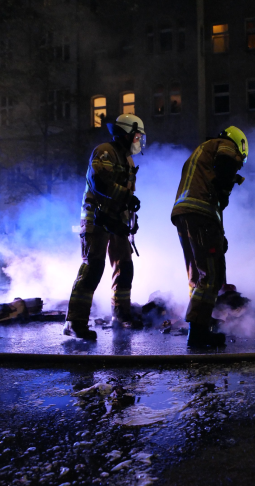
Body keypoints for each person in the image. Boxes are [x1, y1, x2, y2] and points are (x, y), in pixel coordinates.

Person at [63, 114, 146, 340]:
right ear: (126, 135)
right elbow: (100, 184)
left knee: (125, 267)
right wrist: (126, 198)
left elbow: (125, 194)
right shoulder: (104, 151)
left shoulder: (128, 161)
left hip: (116, 222)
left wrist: (129, 220)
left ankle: (121, 315)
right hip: (97, 219)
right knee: (93, 268)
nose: (139, 141)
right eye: (137, 136)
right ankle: (74, 322)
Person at [171, 126, 247, 348]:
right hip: (201, 215)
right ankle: (198, 332)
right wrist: (225, 187)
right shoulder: (225, 145)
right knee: (213, 273)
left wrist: (219, 234)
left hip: (184, 214)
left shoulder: (202, 151)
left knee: (197, 273)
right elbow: (225, 163)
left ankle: (200, 322)